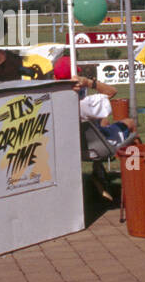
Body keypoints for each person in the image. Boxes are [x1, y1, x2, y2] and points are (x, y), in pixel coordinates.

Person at [55, 56, 137, 200]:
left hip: (74, 149)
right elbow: (112, 91)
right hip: (98, 148)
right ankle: (134, 175)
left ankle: (98, 172)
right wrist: (89, 82)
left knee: (103, 121)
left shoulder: (55, 103)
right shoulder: (85, 104)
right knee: (129, 123)